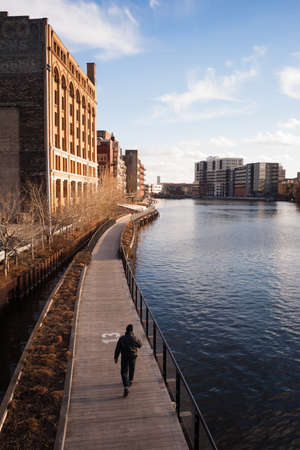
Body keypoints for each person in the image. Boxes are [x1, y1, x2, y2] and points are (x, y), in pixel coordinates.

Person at [114, 324, 142, 397]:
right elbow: (140, 345)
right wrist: (137, 340)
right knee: (132, 368)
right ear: (132, 331)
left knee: (123, 371)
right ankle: (130, 380)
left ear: (126, 330)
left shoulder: (122, 338)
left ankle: (126, 386)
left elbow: (118, 349)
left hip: (124, 356)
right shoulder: (134, 338)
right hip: (133, 356)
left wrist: (116, 357)